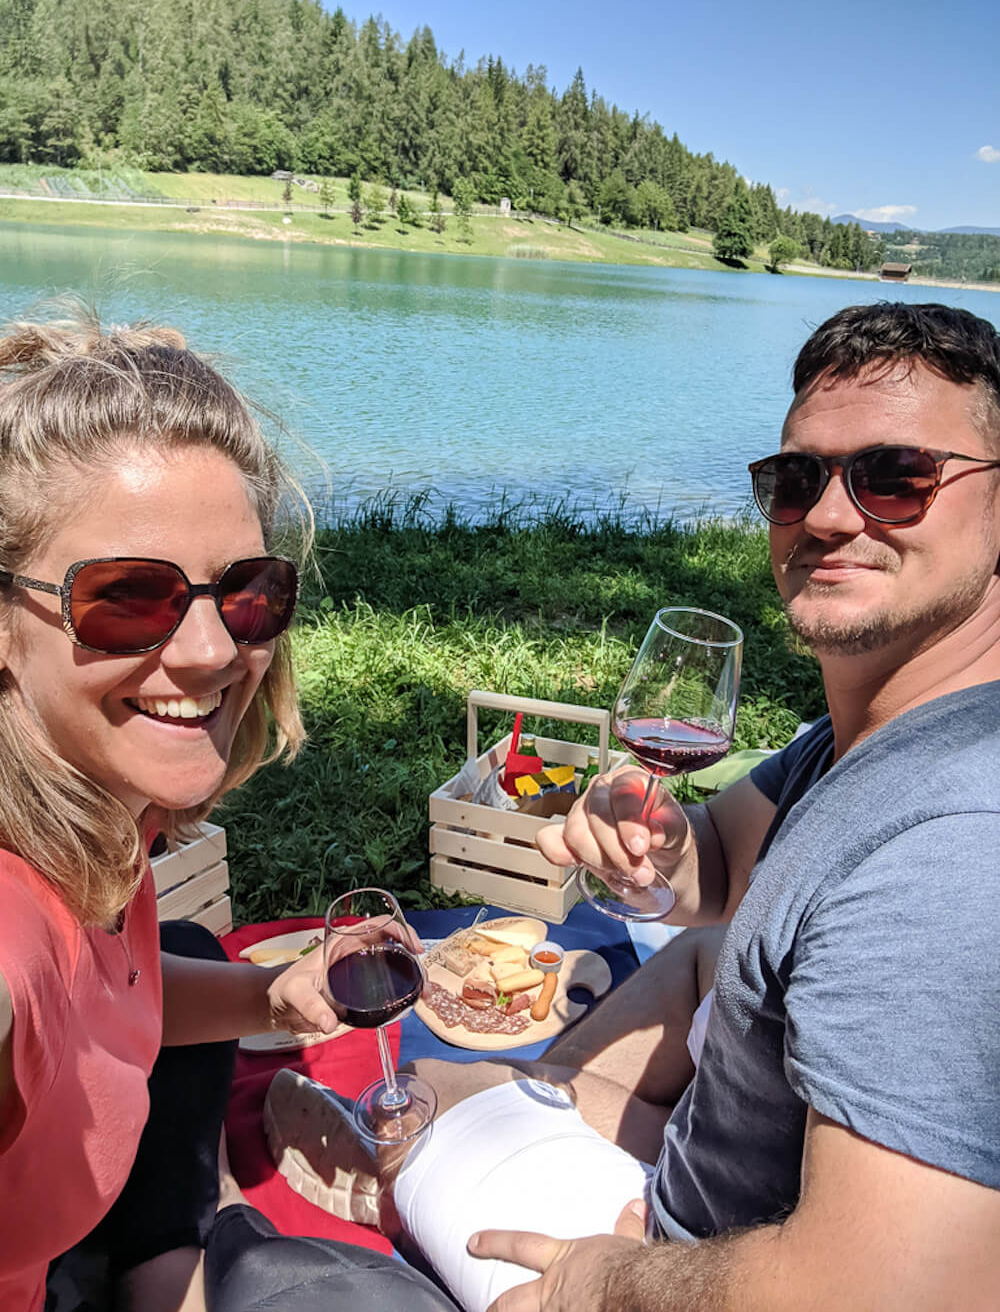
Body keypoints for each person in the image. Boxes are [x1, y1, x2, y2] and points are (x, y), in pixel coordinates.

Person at [267, 301, 1000, 1312]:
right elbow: (721, 866)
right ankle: (527, 1122)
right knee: (552, 1059)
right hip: (724, 1172)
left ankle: (392, 1183)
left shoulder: (953, 856)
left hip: (710, 1258)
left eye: (895, 475)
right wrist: (658, 841)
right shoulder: (888, 732)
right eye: (796, 480)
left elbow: (892, 1290)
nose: (829, 517)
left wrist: (609, 1281)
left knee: (431, 1108)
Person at [0, 308, 459, 1312]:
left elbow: (98, 987)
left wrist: (268, 999)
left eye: (246, 592)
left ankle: (171, 1248)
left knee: (193, 942)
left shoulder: (97, 816)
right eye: (128, 595)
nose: (213, 651)